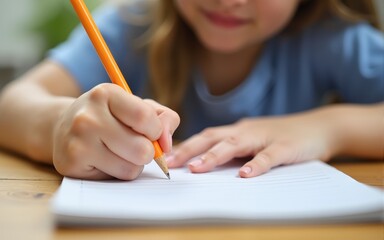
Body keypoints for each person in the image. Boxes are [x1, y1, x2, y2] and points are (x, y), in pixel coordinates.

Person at [0, 0, 382, 180]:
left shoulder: (333, 38)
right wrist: (58, 126)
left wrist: (325, 128)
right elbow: (11, 106)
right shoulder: (132, 23)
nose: (228, 1)